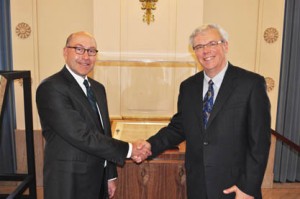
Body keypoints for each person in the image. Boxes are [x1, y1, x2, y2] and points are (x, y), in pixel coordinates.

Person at [142, 24, 271, 199]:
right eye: (199, 47)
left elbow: (260, 143)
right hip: (198, 185)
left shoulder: (251, 84)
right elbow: (179, 127)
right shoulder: (188, 87)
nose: (206, 51)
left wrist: (248, 188)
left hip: (236, 188)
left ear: (225, 46)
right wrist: (150, 145)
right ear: (194, 52)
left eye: (212, 43)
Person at [36, 31, 150, 199]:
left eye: (91, 51)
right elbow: (81, 135)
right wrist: (130, 149)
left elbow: (104, 132)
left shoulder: (97, 88)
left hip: (98, 178)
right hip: (68, 181)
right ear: (65, 52)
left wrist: (110, 175)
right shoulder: (51, 88)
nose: (86, 56)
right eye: (79, 49)